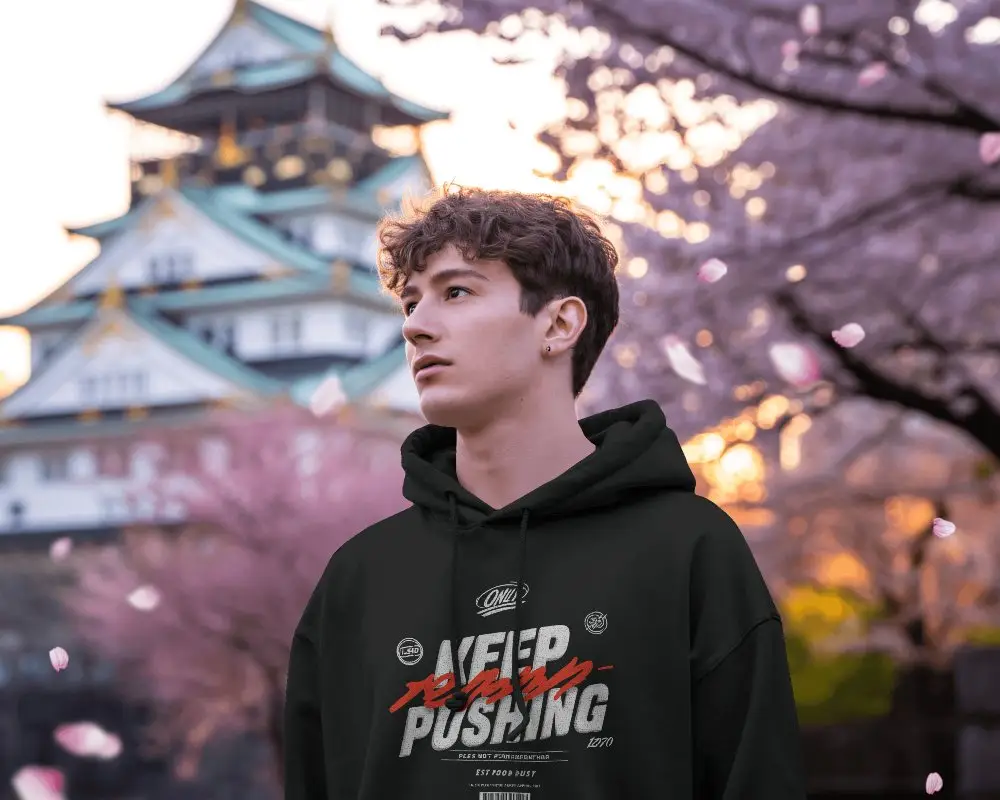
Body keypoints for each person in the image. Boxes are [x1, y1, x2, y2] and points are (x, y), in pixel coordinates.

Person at [284, 185, 807, 800]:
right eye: (409, 305)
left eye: (456, 292)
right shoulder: (360, 578)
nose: (417, 328)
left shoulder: (688, 550)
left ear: (559, 323)